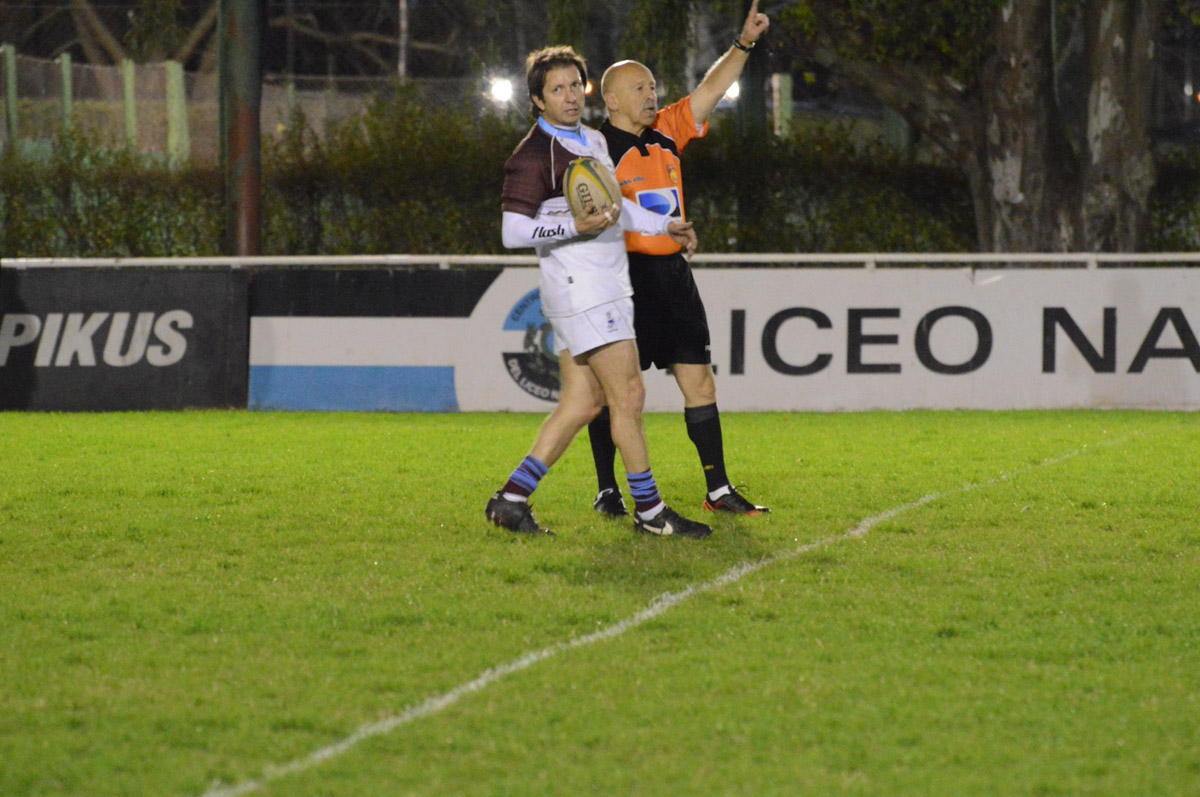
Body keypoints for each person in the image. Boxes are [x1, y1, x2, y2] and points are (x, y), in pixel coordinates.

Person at [485, 45, 712, 539]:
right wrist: (574, 226)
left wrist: (665, 225)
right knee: (628, 395)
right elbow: (512, 232)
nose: (569, 96)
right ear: (538, 100)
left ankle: (511, 499)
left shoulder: (589, 139)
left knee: (582, 403)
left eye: (574, 86)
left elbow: (617, 206)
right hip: (582, 291)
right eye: (556, 89)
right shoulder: (531, 156)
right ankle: (651, 513)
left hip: (605, 286)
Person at [586, 1, 771, 520]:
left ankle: (718, 490)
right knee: (615, 394)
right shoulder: (596, 148)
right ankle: (608, 490)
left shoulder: (669, 128)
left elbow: (711, 89)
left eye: (653, 88)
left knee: (701, 382)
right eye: (640, 88)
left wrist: (744, 43)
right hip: (622, 281)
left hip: (672, 275)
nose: (652, 95)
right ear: (613, 99)